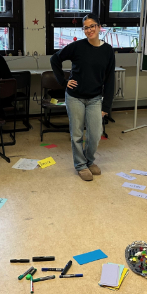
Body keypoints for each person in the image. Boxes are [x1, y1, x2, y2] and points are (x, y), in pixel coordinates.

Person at [50, 13, 115, 181]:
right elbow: (55, 59)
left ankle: (89, 160)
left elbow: (110, 79)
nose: (89, 30)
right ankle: (80, 165)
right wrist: (64, 82)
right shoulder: (77, 47)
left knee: (95, 134)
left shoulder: (108, 50)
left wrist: (106, 107)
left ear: (99, 27)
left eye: (92, 26)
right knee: (77, 134)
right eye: (86, 27)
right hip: (75, 97)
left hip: (95, 98)